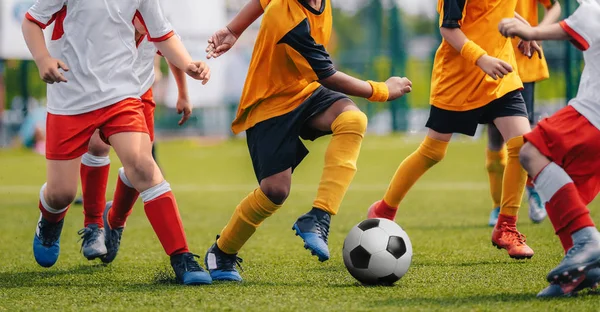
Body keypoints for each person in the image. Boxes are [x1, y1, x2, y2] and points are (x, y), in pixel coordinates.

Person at [202, 0, 412, 282]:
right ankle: (222, 251)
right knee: (274, 192)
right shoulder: (285, 15)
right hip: (269, 104)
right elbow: (329, 76)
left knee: (353, 120)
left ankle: (319, 216)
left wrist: (233, 28)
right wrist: (382, 90)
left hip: (306, 92)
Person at [23, 0, 212, 285]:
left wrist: (188, 65)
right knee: (61, 193)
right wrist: (43, 59)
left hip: (120, 94)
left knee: (143, 167)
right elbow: (31, 22)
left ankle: (182, 256)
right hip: (69, 96)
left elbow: (163, 34)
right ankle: (50, 220)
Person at [368, 0, 536, 260]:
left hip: (500, 76)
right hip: (458, 77)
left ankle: (507, 227)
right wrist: (481, 59)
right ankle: (384, 210)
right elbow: (449, 28)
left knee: (522, 146)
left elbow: (499, 9)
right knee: (432, 152)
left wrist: (525, 30)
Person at [499, 0, 600, 297]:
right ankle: (583, 269)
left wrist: (528, 30)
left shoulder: (593, 9)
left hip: (593, 114)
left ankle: (586, 243)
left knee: (531, 152)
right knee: (567, 191)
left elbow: (571, 30)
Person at [77, 16, 192, 263]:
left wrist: (183, 93)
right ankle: (93, 226)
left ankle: (115, 222)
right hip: (106, 94)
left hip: (140, 97)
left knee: (141, 164)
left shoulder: (157, 18)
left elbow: (172, 49)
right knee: (96, 146)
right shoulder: (110, 16)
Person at [486, 0, 562, 227]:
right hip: (493, 60)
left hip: (523, 61)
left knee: (523, 136)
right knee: (494, 136)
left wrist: (536, 32)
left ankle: (531, 190)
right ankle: (497, 206)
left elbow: (554, 6)